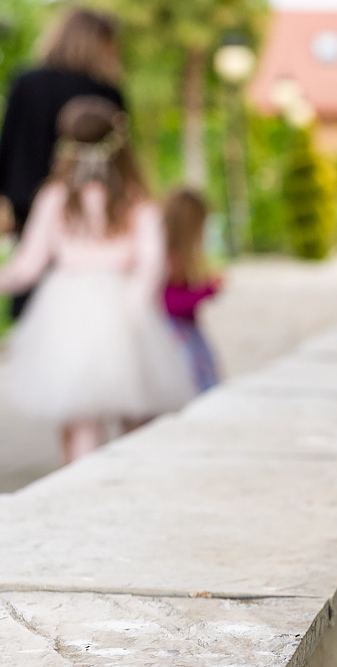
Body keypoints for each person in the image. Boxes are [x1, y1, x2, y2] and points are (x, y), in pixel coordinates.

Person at [0, 97, 195, 464]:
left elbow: (27, 266)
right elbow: (151, 263)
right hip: (123, 305)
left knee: (80, 419)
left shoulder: (55, 197)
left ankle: (78, 490)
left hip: (67, 310)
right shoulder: (136, 199)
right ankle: (133, 485)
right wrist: (133, 310)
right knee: (136, 414)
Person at [0, 9, 126, 318]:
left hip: (27, 202)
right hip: (90, 202)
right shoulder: (105, 91)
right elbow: (120, 157)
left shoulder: (27, 81)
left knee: (33, 281)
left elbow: (8, 146)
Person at [161, 188, 223, 393]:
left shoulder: (176, 257)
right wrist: (206, 290)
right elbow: (170, 303)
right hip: (174, 338)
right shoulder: (168, 258)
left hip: (187, 333)